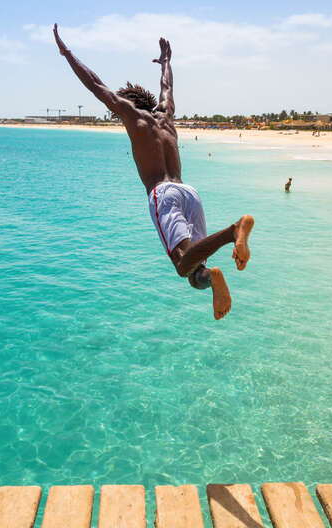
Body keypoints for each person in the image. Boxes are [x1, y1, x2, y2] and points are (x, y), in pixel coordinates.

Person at [54, 25, 253, 320]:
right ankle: (214, 277)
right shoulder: (166, 116)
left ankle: (233, 231)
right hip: (189, 192)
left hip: (164, 194)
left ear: (127, 104)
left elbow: (95, 85)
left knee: (183, 264)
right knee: (196, 273)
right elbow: (167, 88)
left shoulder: (132, 115)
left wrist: (66, 53)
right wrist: (166, 62)